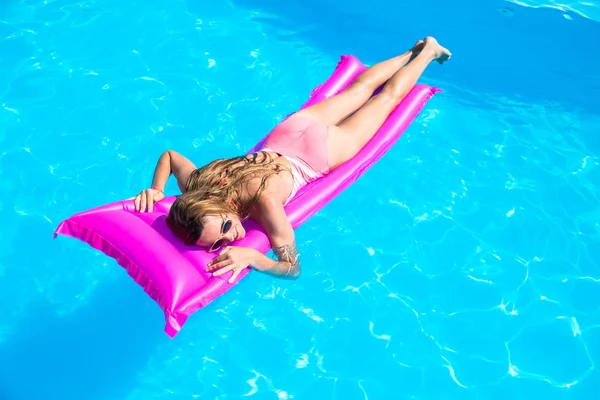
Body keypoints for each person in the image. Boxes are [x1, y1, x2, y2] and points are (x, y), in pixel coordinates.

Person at [133, 36, 451, 283]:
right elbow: (171, 156)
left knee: (386, 99)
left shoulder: (263, 203)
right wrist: (157, 189)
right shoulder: (199, 183)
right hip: (287, 134)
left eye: (226, 227)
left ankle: (427, 53)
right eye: (217, 244)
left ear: (219, 209)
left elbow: (293, 268)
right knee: (361, 87)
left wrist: (256, 260)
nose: (230, 238)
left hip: (319, 153)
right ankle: (412, 52)